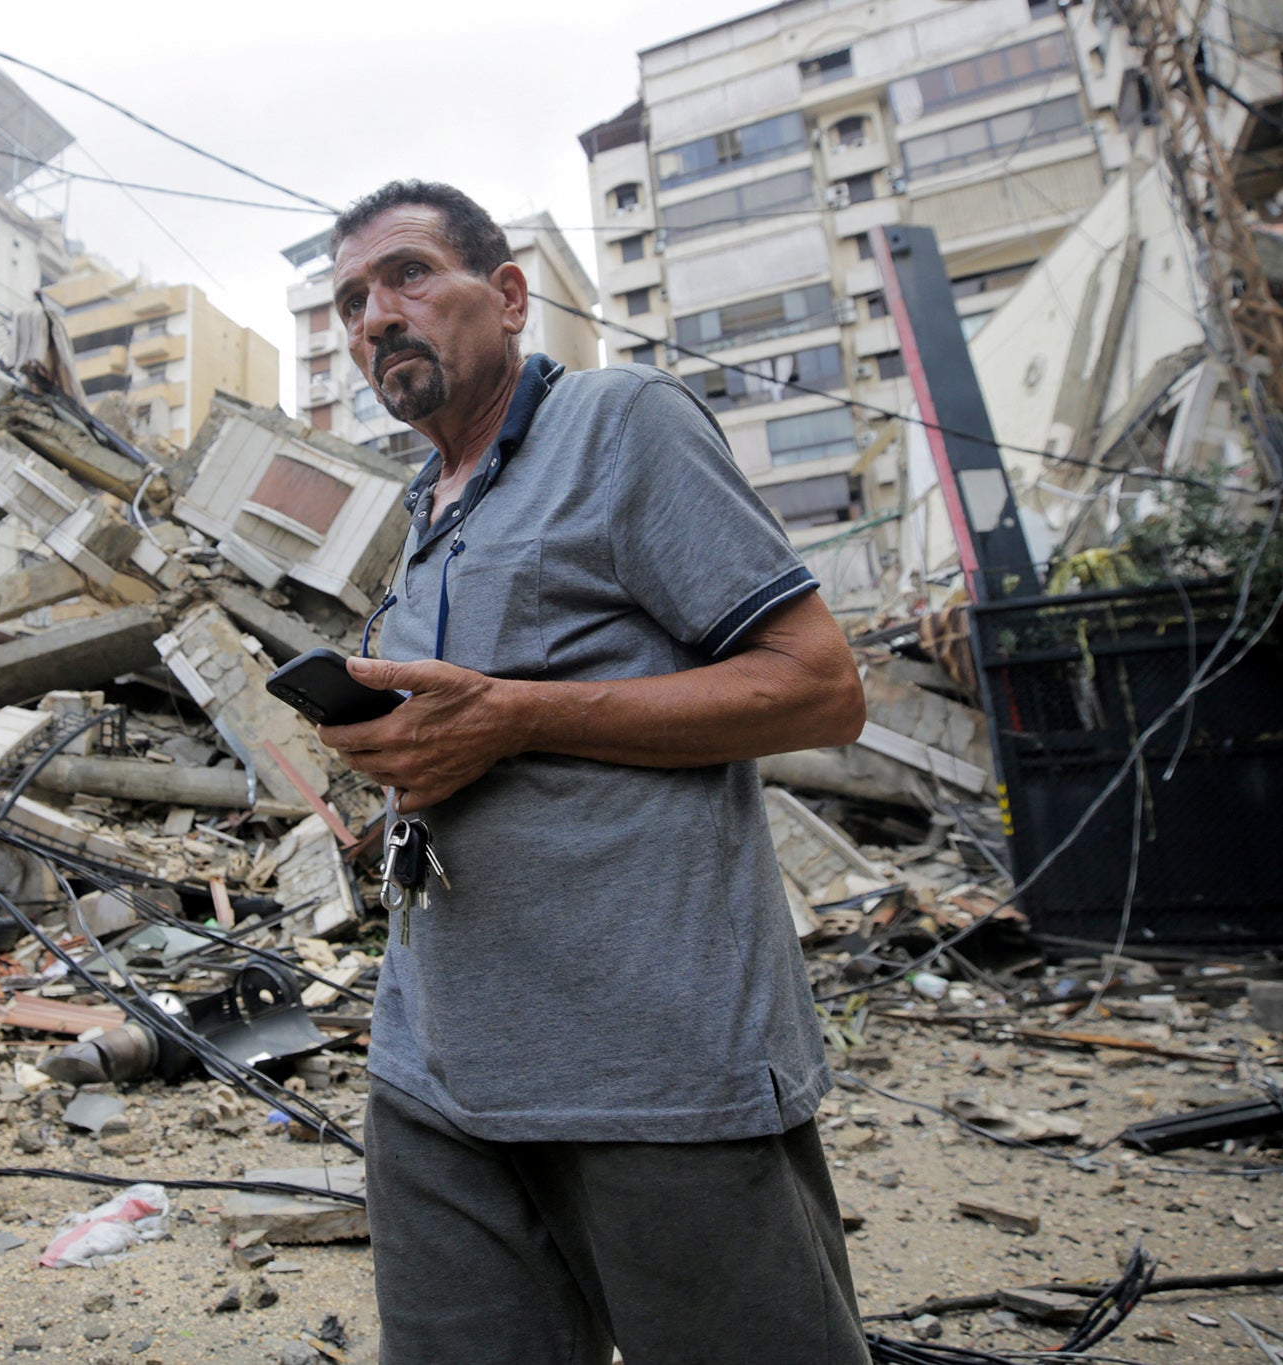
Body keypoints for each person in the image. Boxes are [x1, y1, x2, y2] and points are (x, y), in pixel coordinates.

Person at [315, 179, 871, 1365]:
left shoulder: (620, 421)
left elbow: (819, 687)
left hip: (649, 1061)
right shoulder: (424, 509)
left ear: (508, 296)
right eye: (350, 300)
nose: (374, 317)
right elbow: (485, 725)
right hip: (433, 1062)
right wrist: (405, 770)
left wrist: (515, 720)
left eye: (408, 274)